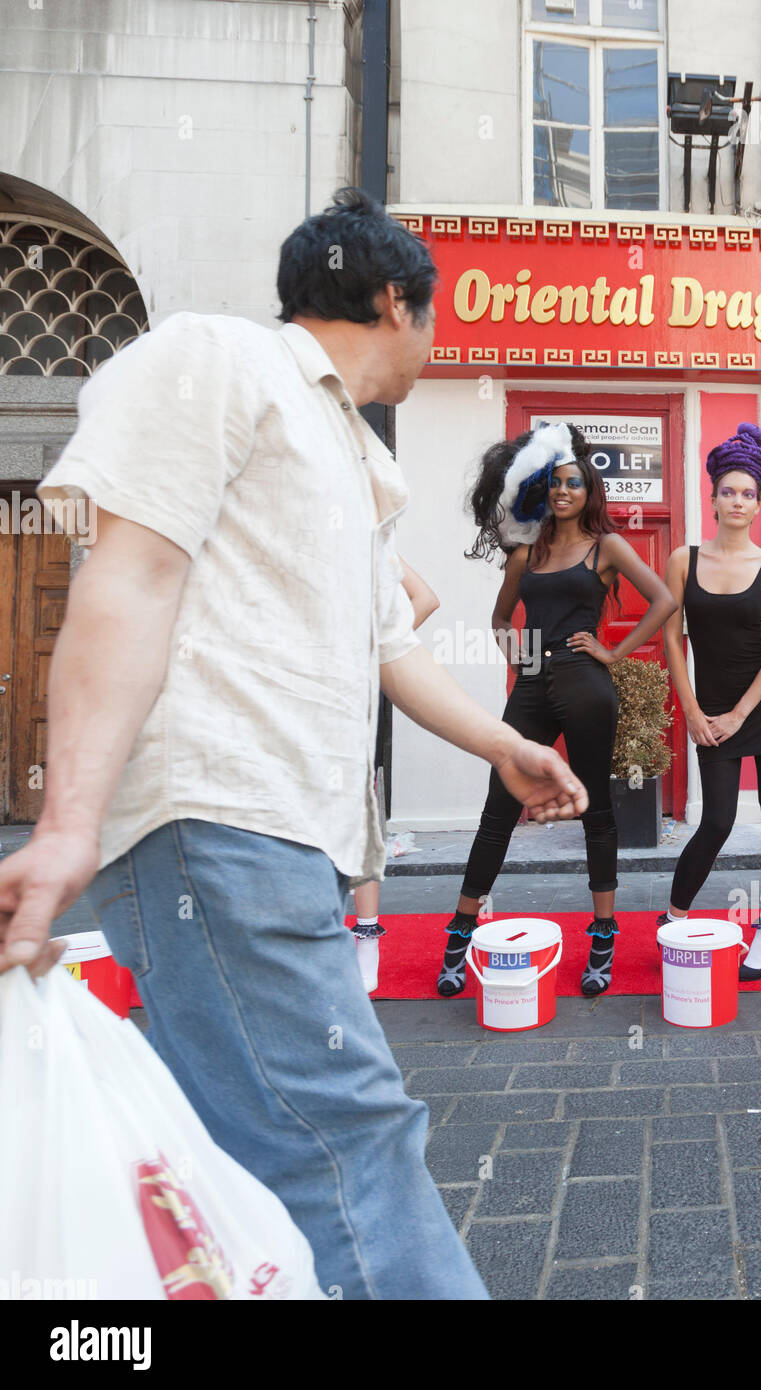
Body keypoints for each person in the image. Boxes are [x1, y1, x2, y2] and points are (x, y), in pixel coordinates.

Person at [0, 188, 593, 1301]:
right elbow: (130, 574)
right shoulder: (218, 360)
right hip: (221, 820)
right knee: (349, 1141)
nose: (439, 340)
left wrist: (503, 745)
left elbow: (389, 648)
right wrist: (68, 825)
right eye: (436, 314)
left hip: (281, 838)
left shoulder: (356, 457)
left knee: (252, 1155)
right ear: (394, 301)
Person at [436, 421, 676, 998]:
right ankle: (460, 932)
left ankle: (602, 932)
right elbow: (500, 619)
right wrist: (519, 658)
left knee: (594, 804)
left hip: (586, 683)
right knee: (500, 806)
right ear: (544, 491)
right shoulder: (528, 551)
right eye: (555, 485)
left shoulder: (607, 547)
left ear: (590, 491)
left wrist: (612, 652)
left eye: (574, 484)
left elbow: (666, 599)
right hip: (533, 685)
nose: (564, 492)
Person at [660, 423, 761, 982]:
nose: (738, 501)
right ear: (713, 497)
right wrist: (692, 711)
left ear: (758, 504)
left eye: (749, 494)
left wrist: (741, 713)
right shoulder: (682, 559)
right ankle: (674, 917)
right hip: (709, 707)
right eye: (729, 491)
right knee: (716, 819)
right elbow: (673, 638)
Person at [351, 558, 439, 994]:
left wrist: (374, 649)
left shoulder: (368, 535)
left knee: (359, 813)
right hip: (293, 688)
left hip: (357, 689)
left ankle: (366, 937)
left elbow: (425, 598)